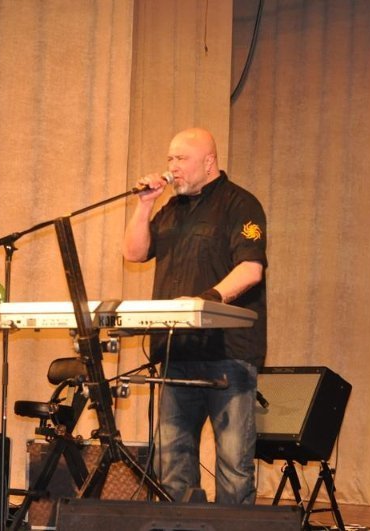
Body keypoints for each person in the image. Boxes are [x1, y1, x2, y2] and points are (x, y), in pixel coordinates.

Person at [123, 127, 267, 504]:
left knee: (234, 467)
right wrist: (144, 205)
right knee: (172, 463)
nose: (172, 167)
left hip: (227, 354)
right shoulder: (172, 209)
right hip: (178, 354)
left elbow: (251, 269)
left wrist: (203, 302)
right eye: (170, 158)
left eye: (181, 159)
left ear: (209, 162)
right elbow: (134, 253)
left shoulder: (240, 204)